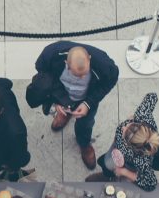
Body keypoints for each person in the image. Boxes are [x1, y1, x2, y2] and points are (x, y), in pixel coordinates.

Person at [25, 41, 119, 169]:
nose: (80, 79)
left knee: (86, 124)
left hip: (86, 99)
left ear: (89, 59)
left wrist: (88, 103)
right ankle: (65, 115)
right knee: (64, 110)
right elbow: (44, 76)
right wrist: (57, 100)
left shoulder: (104, 65)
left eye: (84, 74)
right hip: (63, 94)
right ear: (66, 64)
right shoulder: (51, 55)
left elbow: (110, 81)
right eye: (76, 75)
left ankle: (84, 144)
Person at [86, 93, 159, 192]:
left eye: (125, 133)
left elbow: (151, 184)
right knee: (107, 163)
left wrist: (125, 172)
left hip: (126, 163)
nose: (123, 127)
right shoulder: (142, 115)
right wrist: (134, 116)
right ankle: (106, 175)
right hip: (115, 149)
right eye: (130, 125)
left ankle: (110, 178)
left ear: (131, 147)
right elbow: (153, 96)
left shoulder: (141, 160)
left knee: (115, 173)